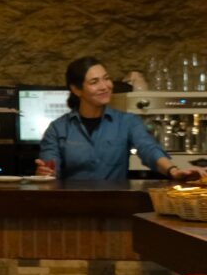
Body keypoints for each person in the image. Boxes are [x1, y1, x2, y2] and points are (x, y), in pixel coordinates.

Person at [35, 56, 202, 182]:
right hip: (72, 209)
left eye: (106, 78)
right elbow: (50, 168)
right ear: (76, 89)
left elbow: (149, 149)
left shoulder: (127, 122)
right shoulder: (59, 128)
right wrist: (45, 172)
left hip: (115, 205)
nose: (105, 86)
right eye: (94, 82)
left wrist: (173, 170)